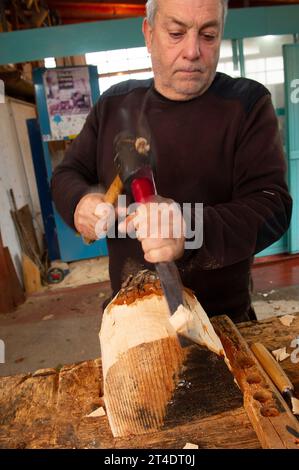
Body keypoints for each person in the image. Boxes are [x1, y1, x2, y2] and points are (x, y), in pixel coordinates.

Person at [51, 0, 292, 323]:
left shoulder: (246, 104)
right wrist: (78, 203)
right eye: (176, 33)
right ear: (149, 34)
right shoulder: (112, 105)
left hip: (221, 321)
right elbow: (67, 174)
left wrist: (189, 229)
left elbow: (273, 207)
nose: (193, 51)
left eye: (208, 35)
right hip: (130, 318)